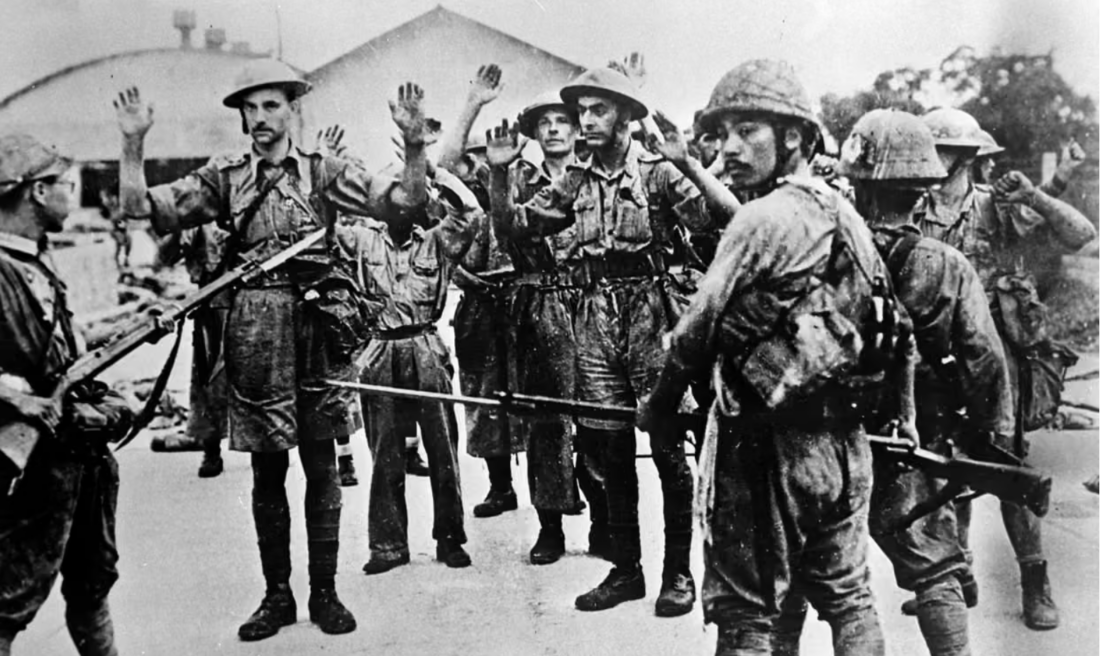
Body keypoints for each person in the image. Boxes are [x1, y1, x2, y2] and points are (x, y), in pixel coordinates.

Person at [114, 58, 434, 641]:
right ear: (240, 119)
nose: (260, 118)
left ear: (293, 110)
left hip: (320, 324)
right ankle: (277, 595)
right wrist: (133, 143)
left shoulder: (324, 171)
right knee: (267, 468)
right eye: (250, 108)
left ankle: (326, 592)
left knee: (321, 463)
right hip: (257, 328)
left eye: (271, 106)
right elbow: (142, 208)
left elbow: (405, 203)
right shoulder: (225, 178)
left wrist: (414, 145)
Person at [639, 59, 900, 655]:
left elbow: (691, 337)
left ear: (795, 138)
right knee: (849, 595)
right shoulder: (844, 213)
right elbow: (892, 321)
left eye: (747, 130)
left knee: (746, 611)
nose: (728, 148)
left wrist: (655, 410)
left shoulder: (762, 218)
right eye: (721, 132)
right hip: (842, 443)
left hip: (765, 447)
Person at [497, 64, 739, 616]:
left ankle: (678, 573)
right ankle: (626, 570)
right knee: (609, 448)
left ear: (627, 115)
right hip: (594, 314)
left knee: (668, 447)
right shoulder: (575, 177)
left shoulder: (657, 171)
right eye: (580, 110)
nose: (585, 121)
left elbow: (726, 219)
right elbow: (517, 229)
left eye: (597, 109)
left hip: (653, 316)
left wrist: (690, 165)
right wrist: (497, 176)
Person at [776, 107, 1012, 656]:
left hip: (823, 439)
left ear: (855, 185)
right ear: (924, 188)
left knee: (798, 574)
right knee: (935, 567)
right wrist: (991, 438)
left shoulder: (816, 253)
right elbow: (984, 360)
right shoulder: (947, 264)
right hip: (913, 437)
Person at [917, 106, 1096, 630]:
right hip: (934, 358)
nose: (930, 159)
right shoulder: (916, 209)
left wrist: (1036, 194)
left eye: (941, 150)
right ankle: (955, 574)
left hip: (994, 358)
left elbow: (1081, 233)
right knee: (938, 465)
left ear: (966, 157)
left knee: (1007, 467)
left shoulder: (997, 207)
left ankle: (1035, 582)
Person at [0, 134, 135, 656]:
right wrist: (18, 401)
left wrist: (131, 328)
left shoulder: (38, 261)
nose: (72, 196)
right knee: (8, 601)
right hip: (34, 462)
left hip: (80, 456)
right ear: (36, 192)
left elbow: (64, 349)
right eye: (67, 185)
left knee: (92, 583)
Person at [486, 89, 608, 564]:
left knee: (600, 416)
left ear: (579, 129)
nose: (555, 129)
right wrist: (497, 173)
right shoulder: (516, 177)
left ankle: (603, 522)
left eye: (564, 120)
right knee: (547, 422)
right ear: (533, 134)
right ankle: (551, 527)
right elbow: (505, 228)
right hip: (540, 306)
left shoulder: (597, 174)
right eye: (544, 123)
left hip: (593, 302)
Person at [341, 164, 479, 575]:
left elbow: (470, 214)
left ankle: (450, 538)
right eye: (393, 197)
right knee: (384, 449)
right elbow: (326, 228)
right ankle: (387, 545)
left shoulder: (438, 241)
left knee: (441, 448)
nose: (403, 207)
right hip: (380, 347)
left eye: (411, 197)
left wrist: (434, 171)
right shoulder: (362, 241)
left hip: (424, 345)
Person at [437, 64, 525, 518]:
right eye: (472, 158)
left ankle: (556, 492)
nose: (476, 165)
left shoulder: (517, 186)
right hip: (477, 306)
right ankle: (500, 486)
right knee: (484, 395)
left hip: (522, 300)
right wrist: (473, 103)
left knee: (536, 392)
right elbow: (442, 167)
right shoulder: (456, 198)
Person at [153, 222, 231, 478]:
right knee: (207, 377)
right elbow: (164, 256)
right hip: (211, 301)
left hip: (250, 297)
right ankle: (211, 448)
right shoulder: (200, 217)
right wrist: (180, 227)